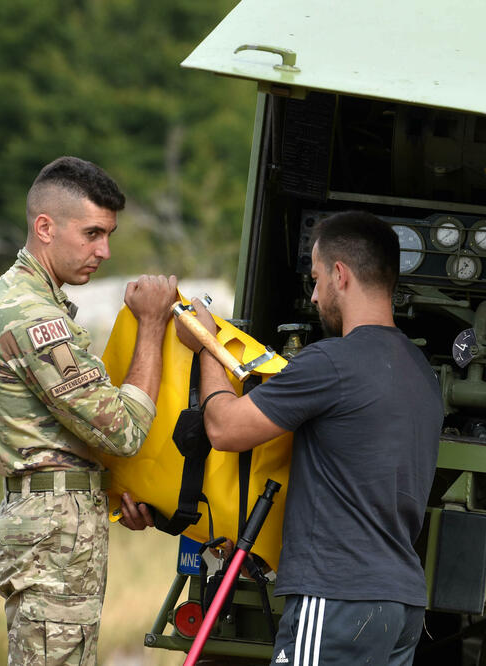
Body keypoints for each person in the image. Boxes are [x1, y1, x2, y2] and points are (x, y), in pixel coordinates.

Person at [175, 210, 443, 666]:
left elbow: (224, 428)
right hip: (400, 605)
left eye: (316, 279)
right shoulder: (422, 374)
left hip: (337, 595)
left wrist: (206, 344)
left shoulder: (333, 362)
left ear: (341, 275)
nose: (315, 296)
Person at [0, 156, 177, 665]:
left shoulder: (21, 300)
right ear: (45, 227)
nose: (104, 251)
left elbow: (65, 439)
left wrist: (117, 487)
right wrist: (151, 325)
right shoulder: (34, 318)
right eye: (92, 234)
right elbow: (122, 430)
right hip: (54, 539)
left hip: (55, 526)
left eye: (110, 235)